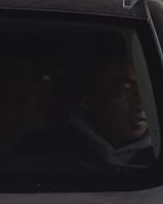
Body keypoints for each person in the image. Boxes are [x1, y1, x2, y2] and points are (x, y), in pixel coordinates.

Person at [18, 53, 154, 171]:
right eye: (125, 89)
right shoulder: (44, 150)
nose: (141, 104)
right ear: (93, 94)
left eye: (147, 88)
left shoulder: (160, 157)